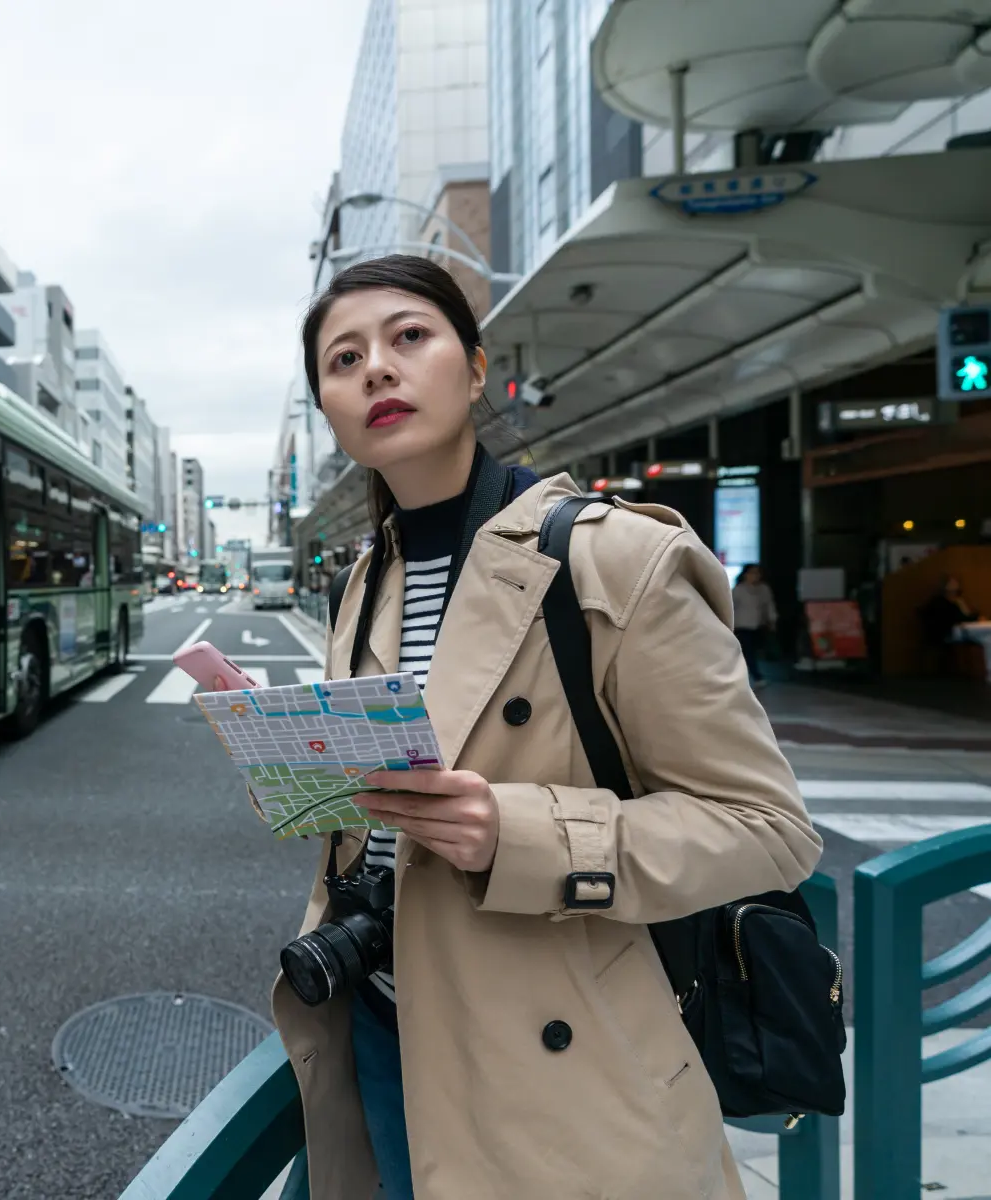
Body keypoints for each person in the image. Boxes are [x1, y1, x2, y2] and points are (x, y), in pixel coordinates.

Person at [274, 255, 820, 1199]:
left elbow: (769, 831)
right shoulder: (366, 580)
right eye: (344, 358)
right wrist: (292, 761)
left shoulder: (616, 559)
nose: (377, 370)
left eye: (410, 337)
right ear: (329, 408)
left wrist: (518, 835)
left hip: (556, 1067)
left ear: (477, 369)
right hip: (378, 1023)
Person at [731, 563, 778, 687]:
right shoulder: (738, 590)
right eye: (752, 573)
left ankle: (750, 674)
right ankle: (756, 676)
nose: (755, 576)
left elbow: (769, 605)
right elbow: (731, 606)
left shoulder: (764, 589)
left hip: (758, 625)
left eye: (757, 573)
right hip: (742, 625)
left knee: (753, 651)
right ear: (746, 575)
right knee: (748, 651)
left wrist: (772, 620)